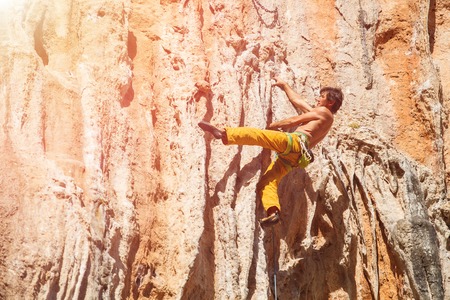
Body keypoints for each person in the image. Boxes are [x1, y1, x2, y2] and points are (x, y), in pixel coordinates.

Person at [198, 77, 343, 226]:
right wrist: (285, 85)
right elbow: (299, 102)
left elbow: (294, 121)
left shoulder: (323, 111)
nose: (318, 99)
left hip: (293, 143)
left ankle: (223, 134)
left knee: (257, 135)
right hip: (297, 158)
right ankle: (273, 212)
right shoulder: (325, 118)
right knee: (269, 182)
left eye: (322, 97)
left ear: (330, 102)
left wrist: (273, 125)